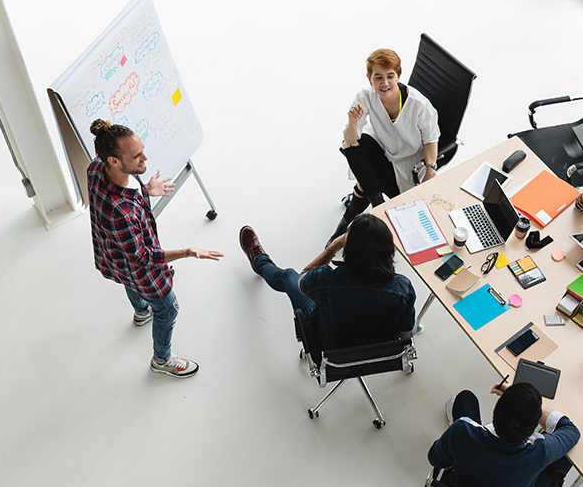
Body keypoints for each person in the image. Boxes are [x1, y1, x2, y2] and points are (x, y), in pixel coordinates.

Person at [86, 119, 223, 378]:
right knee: (168, 308)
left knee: (129, 280)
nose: (145, 158)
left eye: (142, 150)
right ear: (114, 160)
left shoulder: (96, 168)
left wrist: (146, 190)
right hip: (140, 266)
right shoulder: (122, 213)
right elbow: (143, 257)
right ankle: (162, 359)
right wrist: (186, 252)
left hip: (114, 257)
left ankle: (141, 312)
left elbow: (124, 201)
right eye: (136, 155)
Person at [238, 214, 416, 349]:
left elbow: (303, 279)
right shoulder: (403, 287)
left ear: (349, 248)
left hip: (329, 349)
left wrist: (335, 245)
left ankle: (260, 261)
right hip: (380, 352)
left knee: (288, 277)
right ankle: (260, 261)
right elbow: (407, 333)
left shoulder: (324, 279)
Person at [427, 381, 580, 487]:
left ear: (494, 410)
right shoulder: (540, 451)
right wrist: (531, 408)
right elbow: (571, 431)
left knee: (465, 398)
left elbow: (435, 459)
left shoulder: (461, 429)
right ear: (535, 426)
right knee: (567, 456)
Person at [335, 48, 441, 237]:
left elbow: (431, 138)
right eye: (378, 77)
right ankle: (377, 202)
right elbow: (349, 141)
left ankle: (346, 224)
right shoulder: (365, 95)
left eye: (390, 76)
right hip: (382, 145)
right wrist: (352, 122)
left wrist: (430, 171)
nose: (384, 83)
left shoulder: (419, 104)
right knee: (351, 148)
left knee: (364, 181)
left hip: (407, 159)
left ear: (399, 76)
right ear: (369, 78)